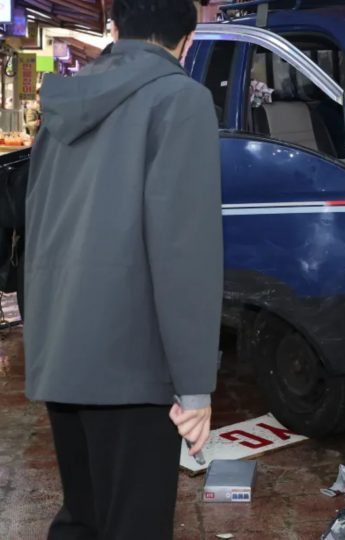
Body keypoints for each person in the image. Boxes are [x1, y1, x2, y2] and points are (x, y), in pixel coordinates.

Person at [24, 0, 223, 538]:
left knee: (85, 519)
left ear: (117, 28)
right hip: (133, 369)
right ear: (188, 38)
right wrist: (195, 386)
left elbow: (38, 226)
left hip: (62, 356)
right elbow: (184, 250)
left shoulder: (64, 103)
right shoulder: (181, 99)